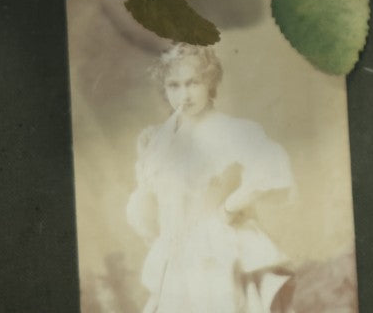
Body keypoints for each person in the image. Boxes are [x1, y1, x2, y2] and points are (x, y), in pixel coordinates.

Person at [126, 43, 295, 313]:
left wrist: (228, 209)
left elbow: (271, 172)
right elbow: (147, 203)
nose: (184, 94)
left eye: (193, 83)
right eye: (174, 85)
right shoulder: (156, 139)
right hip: (175, 257)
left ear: (209, 82)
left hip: (217, 251)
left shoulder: (232, 130)